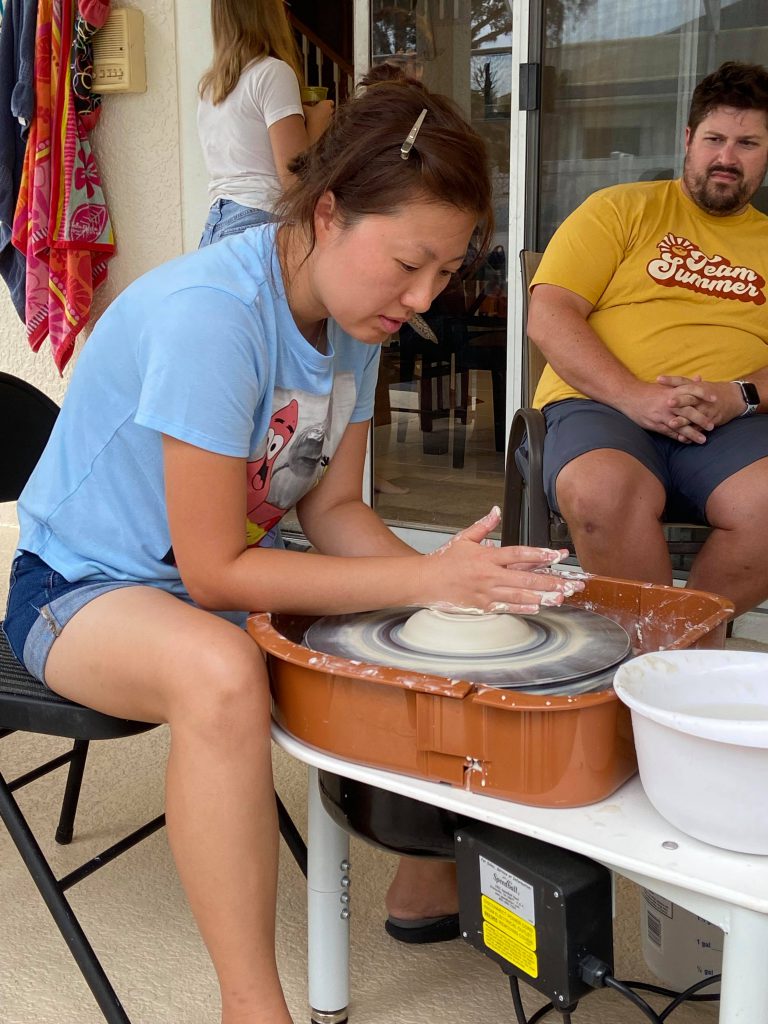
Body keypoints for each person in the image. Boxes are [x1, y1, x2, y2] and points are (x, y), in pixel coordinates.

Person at [3, 65, 581, 1024]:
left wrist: (439, 589)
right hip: (77, 589)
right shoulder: (214, 317)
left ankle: (421, 873)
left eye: (445, 270)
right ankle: (251, 1005)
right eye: (408, 263)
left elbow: (335, 513)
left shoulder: (355, 318)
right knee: (225, 671)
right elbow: (214, 570)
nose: (425, 296)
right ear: (327, 213)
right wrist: (425, 573)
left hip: (190, 586)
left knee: (400, 623)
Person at [527, 60, 768, 618]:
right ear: (688, 139)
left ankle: (678, 653)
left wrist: (740, 395)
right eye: (714, 138)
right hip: (603, 407)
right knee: (600, 491)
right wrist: (635, 395)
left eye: (747, 143)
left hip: (734, 423)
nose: (726, 157)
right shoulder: (620, 209)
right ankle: (657, 661)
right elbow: (550, 314)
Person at [197, 0, 334, 247]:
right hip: (259, 221)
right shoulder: (273, 73)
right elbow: (294, 181)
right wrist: (318, 123)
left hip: (217, 225)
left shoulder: (210, 87)